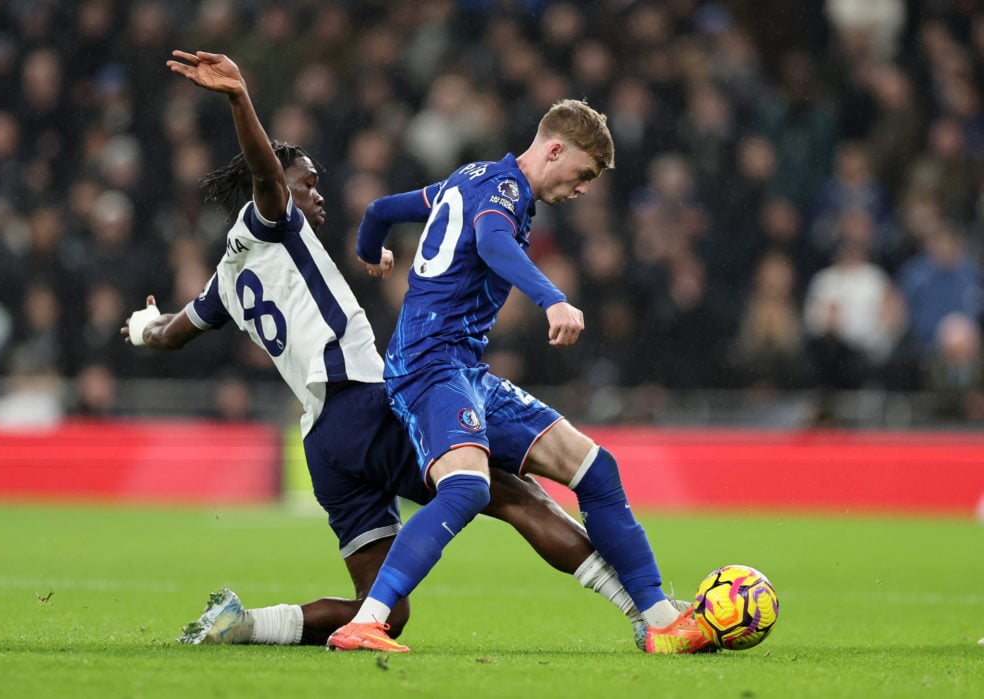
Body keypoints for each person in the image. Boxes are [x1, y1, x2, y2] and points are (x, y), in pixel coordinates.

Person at [127, 50, 681, 650]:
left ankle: (246, 624)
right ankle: (644, 611)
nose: (317, 195)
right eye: (307, 183)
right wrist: (240, 99)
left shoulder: (225, 281)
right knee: (510, 493)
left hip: (323, 445)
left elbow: (172, 333)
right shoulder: (273, 218)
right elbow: (267, 173)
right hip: (369, 402)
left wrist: (142, 326)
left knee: (388, 609)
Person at [338, 99, 711, 654]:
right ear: (555, 149)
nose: (584, 188)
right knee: (467, 488)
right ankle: (366, 621)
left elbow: (379, 210)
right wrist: (552, 299)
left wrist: (373, 252)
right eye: (583, 174)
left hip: (463, 368)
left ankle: (658, 619)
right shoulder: (506, 193)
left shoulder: (466, 180)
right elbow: (491, 241)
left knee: (594, 467)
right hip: (428, 365)